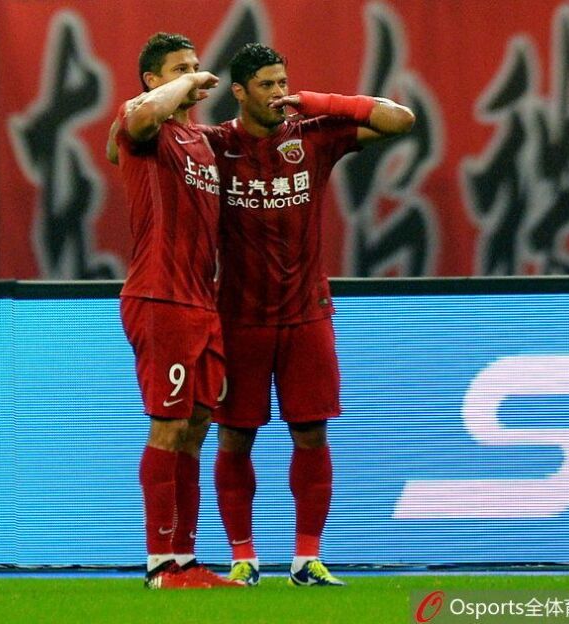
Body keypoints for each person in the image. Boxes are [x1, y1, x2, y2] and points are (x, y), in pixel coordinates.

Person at [200, 43, 415, 587]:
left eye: (283, 82)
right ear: (239, 91)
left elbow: (400, 120)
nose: (278, 93)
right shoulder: (216, 146)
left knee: (312, 435)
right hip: (239, 318)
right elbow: (128, 147)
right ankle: (243, 558)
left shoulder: (312, 135)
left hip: (306, 315)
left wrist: (319, 100)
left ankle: (307, 558)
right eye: (266, 85)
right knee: (234, 440)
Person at [112, 32, 239, 590]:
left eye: (195, 66)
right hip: (159, 295)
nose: (193, 74)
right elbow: (134, 124)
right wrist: (186, 86)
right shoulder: (144, 126)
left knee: (195, 428)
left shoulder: (200, 141)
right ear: (153, 80)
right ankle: (159, 563)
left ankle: (185, 559)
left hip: (201, 302)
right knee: (167, 426)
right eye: (179, 68)